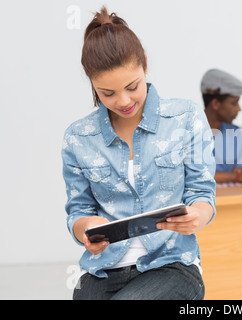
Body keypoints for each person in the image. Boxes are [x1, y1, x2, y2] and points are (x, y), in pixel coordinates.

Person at [61, 6, 216, 300]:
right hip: (102, 271)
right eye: (107, 93)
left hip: (171, 266)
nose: (123, 100)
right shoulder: (77, 138)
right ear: (91, 82)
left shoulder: (185, 119)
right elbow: (78, 212)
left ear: (145, 63)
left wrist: (197, 215)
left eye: (132, 86)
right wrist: (86, 228)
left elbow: (203, 195)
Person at [201, 69, 242, 183]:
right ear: (216, 104)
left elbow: (240, 170)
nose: (239, 108)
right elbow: (196, 176)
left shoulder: (236, 133)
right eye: (234, 103)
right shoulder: (189, 132)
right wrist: (236, 177)